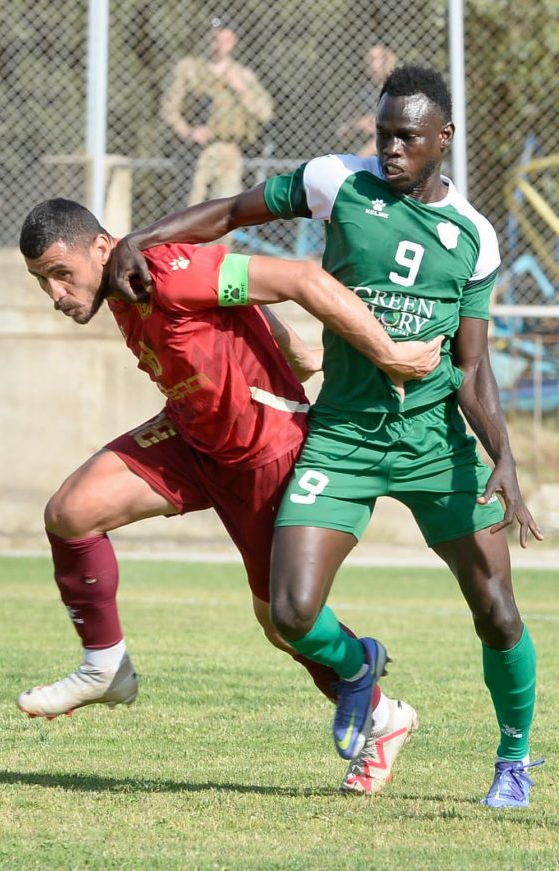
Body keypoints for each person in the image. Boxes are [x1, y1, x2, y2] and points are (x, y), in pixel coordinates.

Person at [106, 65, 545, 807]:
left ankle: (514, 761)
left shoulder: (473, 236)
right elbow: (231, 212)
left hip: (434, 441)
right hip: (341, 434)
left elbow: (472, 368)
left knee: (497, 609)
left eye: (408, 137)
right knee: (290, 611)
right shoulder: (337, 180)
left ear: (444, 138)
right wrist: (141, 239)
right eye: (383, 134)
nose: (391, 149)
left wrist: (503, 456)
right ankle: (360, 666)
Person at [17, 196, 443, 795]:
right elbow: (237, 301)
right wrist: (295, 351)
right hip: (192, 437)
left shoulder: (167, 271)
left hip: (265, 453)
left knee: (284, 624)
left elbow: (298, 278)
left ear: (102, 247)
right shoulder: (120, 285)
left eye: (62, 274)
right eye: (42, 281)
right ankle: (104, 665)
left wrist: (389, 355)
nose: (56, 293)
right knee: (70, 513)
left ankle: (381, 716)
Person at [161, 15, 273, 207]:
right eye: (215, 39)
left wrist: (241, 90)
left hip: (229, 150)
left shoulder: (242, 75)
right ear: (207, 38)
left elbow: (265, 111)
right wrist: (187, 131)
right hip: (194, 151)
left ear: (233, 41)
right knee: (189, 209)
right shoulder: (189, 70)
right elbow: (169, 108)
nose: (219, 45)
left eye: (225, 40)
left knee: (225, 210)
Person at [336, 43, 397, 157]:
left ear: (390, 60)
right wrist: (358, 123)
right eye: (369, 59)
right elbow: (341, 133)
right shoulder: (362, 93)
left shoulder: (401, 90)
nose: (372, 64)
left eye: (376, 59)